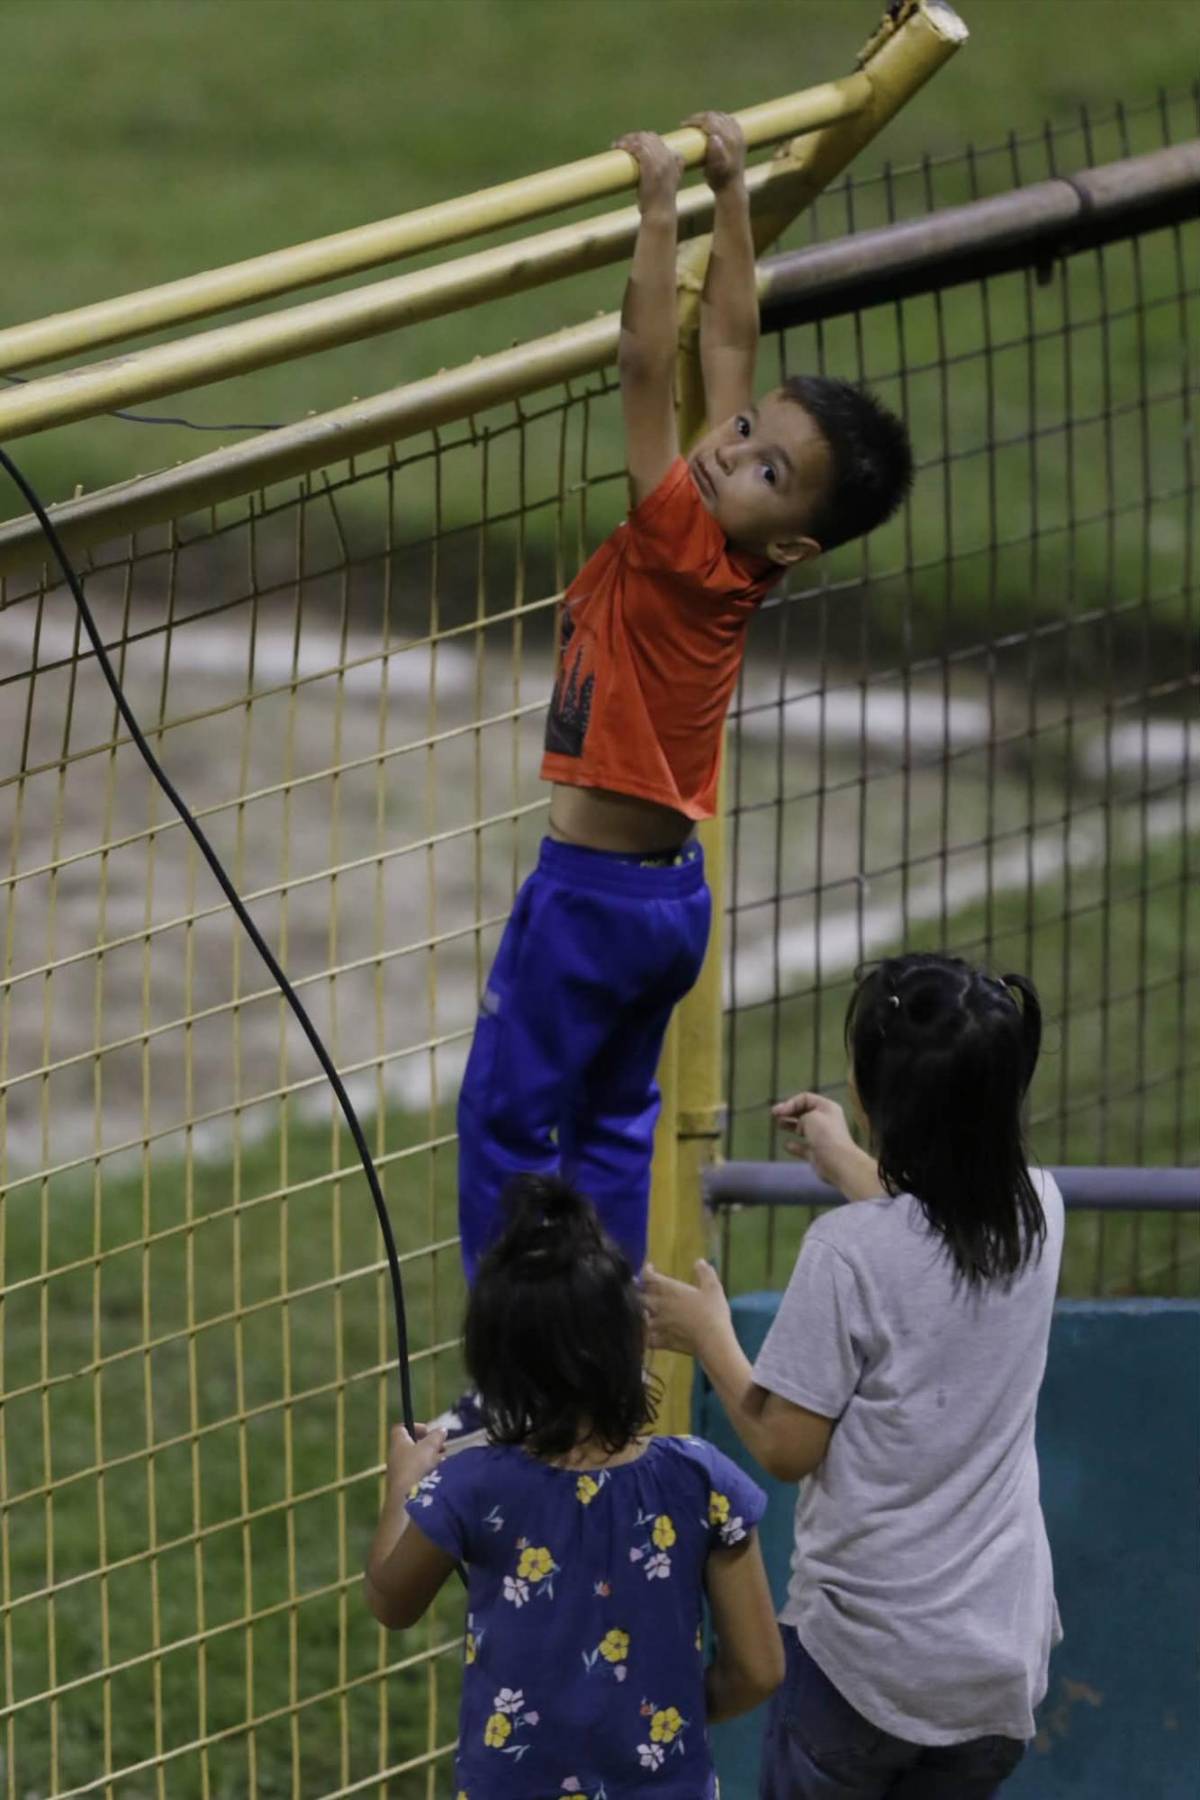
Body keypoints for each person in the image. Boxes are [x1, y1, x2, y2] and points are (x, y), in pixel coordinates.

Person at [448, 114, 913, 1435]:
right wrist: (731, 196)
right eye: (747, 433)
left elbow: (651, 355)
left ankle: (511, 1372)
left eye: (765, 465)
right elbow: (728, 345)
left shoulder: (676, 535)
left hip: (591, 898)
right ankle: (598, 1344)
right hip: (668, 905)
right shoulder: (734, 543)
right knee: (607, 1130)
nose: (729, 449)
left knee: (505, 1123)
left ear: (796, 542)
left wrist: (659, 204)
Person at [644, 953, 1063, 1799]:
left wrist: (709, 1334)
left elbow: (785, 1444)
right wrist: (844, 1165)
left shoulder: (847, 1253)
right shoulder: (1039, 1212)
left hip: (863, 1675)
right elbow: (942, 1236)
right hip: (994, 1671)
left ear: (879, 1103)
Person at [364, 1175, 783, 1799]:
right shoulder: (703, 1480)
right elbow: (759, 1668)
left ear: (492, 1363)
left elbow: (390, 1602)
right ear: (637, 1340)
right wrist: (665, 1721)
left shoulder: (472, 1485)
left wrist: (403, 1485)